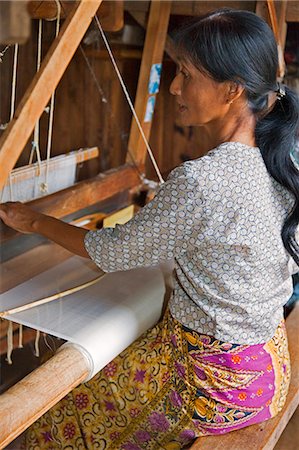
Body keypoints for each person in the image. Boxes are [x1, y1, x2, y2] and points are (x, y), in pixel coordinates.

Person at [1, 8, 299, 450]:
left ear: (232, 90)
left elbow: (109, 252)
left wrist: (33, 220)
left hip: (212, 385)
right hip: (266, 364)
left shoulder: (203, 180)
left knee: (54, 425)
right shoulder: (282, 156)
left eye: (188, 74)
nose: (176, 87)